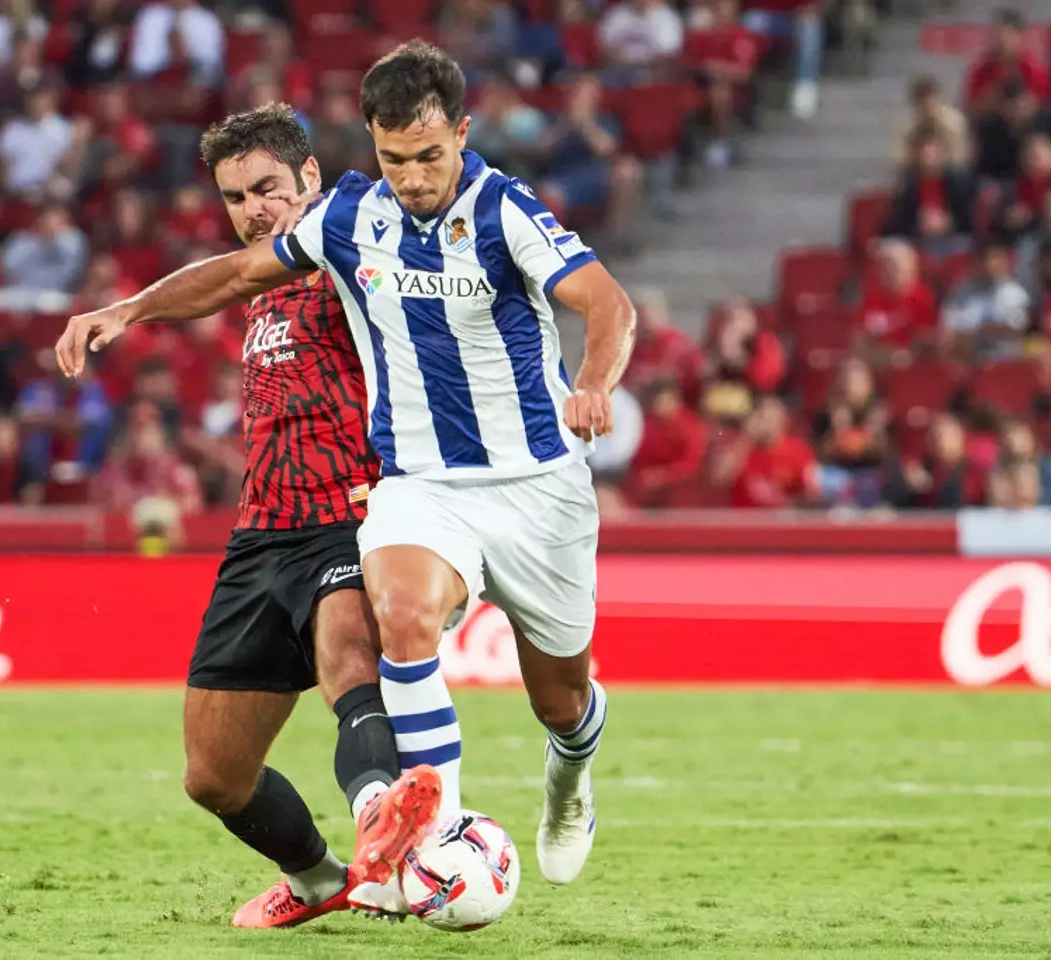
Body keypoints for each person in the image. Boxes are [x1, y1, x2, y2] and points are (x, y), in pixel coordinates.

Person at [57, 41, 635, 908]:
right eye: (395, 158)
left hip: (535, 486)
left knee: (559, 701)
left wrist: (593, 382)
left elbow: (606, 302)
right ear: (372, 144)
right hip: (418, 486)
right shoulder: (348, 220)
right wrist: (130, 308)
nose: (413, 177)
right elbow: (237, 273)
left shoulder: (504, 208)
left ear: (462, 134)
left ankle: (570, 774)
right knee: (398, 621)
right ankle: (432, 844)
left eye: (429, 156)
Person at [69, 104, 427, 931]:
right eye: (235, 197)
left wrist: (130, 310)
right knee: (214, 776)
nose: (253, 209)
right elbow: (228, 275)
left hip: (354, 511)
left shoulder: (355, 241)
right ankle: (318, 878)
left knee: (348, 660)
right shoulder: (262, 276)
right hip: (261, 532)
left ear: (310, 177)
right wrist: (130, 309)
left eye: (267, 188)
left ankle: (382, 834)